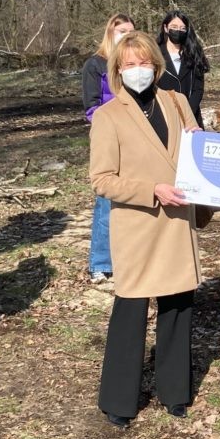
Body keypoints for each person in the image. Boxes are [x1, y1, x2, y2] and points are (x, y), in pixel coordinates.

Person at [89, 31, 202, 428]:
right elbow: (102, 179)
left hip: (177, 224)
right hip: (137, 224)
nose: (139, 70)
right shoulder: (107, 116)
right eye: (129, 64)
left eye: (145, 63)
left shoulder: (177, 101)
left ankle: (175, 393)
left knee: (177, 307)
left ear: (157, 65)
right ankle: (119, 400)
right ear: (118, 70)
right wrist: (151, 190)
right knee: (131, 311)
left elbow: (199, 150)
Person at [82, 14, 135, 284]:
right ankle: (101, 262)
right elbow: (91, 106)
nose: (126, 35)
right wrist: (109, 128)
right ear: (110, 33)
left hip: (137, 138)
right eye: (121, 30)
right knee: (106, 200)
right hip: (109, 137)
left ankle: (129, 256)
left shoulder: (134, 65)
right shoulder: (96, 64)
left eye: (130, 31)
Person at [156, 10, 210, 128]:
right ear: (166, 28)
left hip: (190, 119)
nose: (178, 31)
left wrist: (187, 114)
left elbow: (198, 89)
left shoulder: (194, 54)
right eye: (174, 27)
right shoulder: (155, 54)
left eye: (182, 28)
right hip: (163, 117)